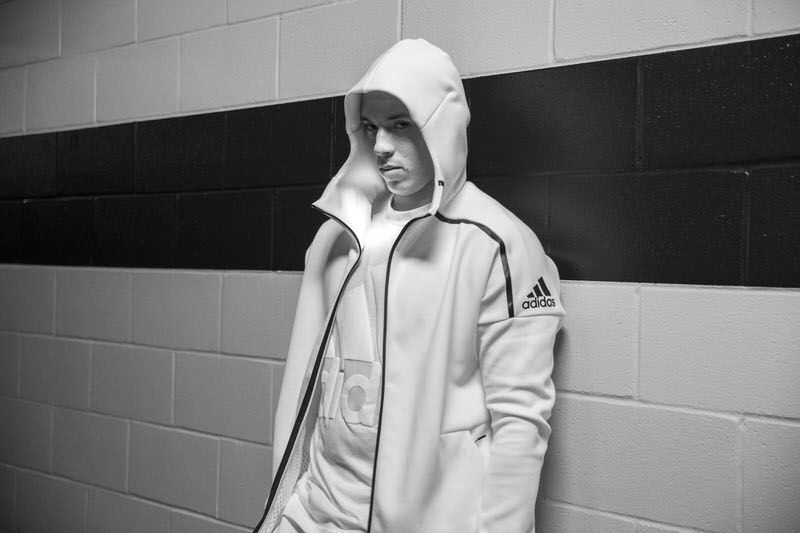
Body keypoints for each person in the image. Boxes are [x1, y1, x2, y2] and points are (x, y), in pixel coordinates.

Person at [253, 38, 565, 533]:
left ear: (439, 126)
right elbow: (304, 392)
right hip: (313, 514)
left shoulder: (495, 243)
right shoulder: (338, 232)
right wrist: (284, 508)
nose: (380, 146)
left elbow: (520, 425)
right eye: (372, 127)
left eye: (401, 125)